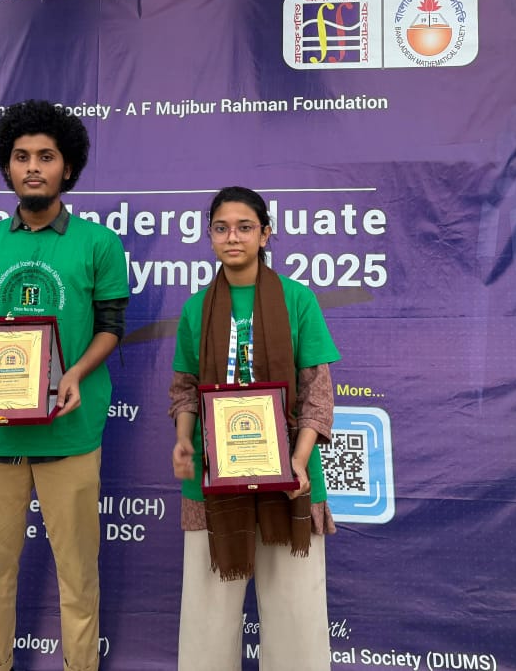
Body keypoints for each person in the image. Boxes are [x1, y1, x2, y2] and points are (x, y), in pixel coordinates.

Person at [0, 99, 129, 671]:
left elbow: (111, 327)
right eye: (22, 156)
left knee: (78, 573)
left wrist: (73, 374)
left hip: (68, 432)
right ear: (7, 166)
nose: (33, 167)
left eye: (46, 157)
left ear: (67, 167)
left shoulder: (99, 244)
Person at [169, 186, 340, 671]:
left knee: (296, 620)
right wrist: (183, 439)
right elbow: (184, 390)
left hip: (291, 479)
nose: (233, 237)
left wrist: (298, 461)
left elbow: (318, 394)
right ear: (209, 237)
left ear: (265, 235)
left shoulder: (297, 299)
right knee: (206, 621)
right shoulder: (196, 308)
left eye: (245, 227)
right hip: (213, 480)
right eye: (221, 228)